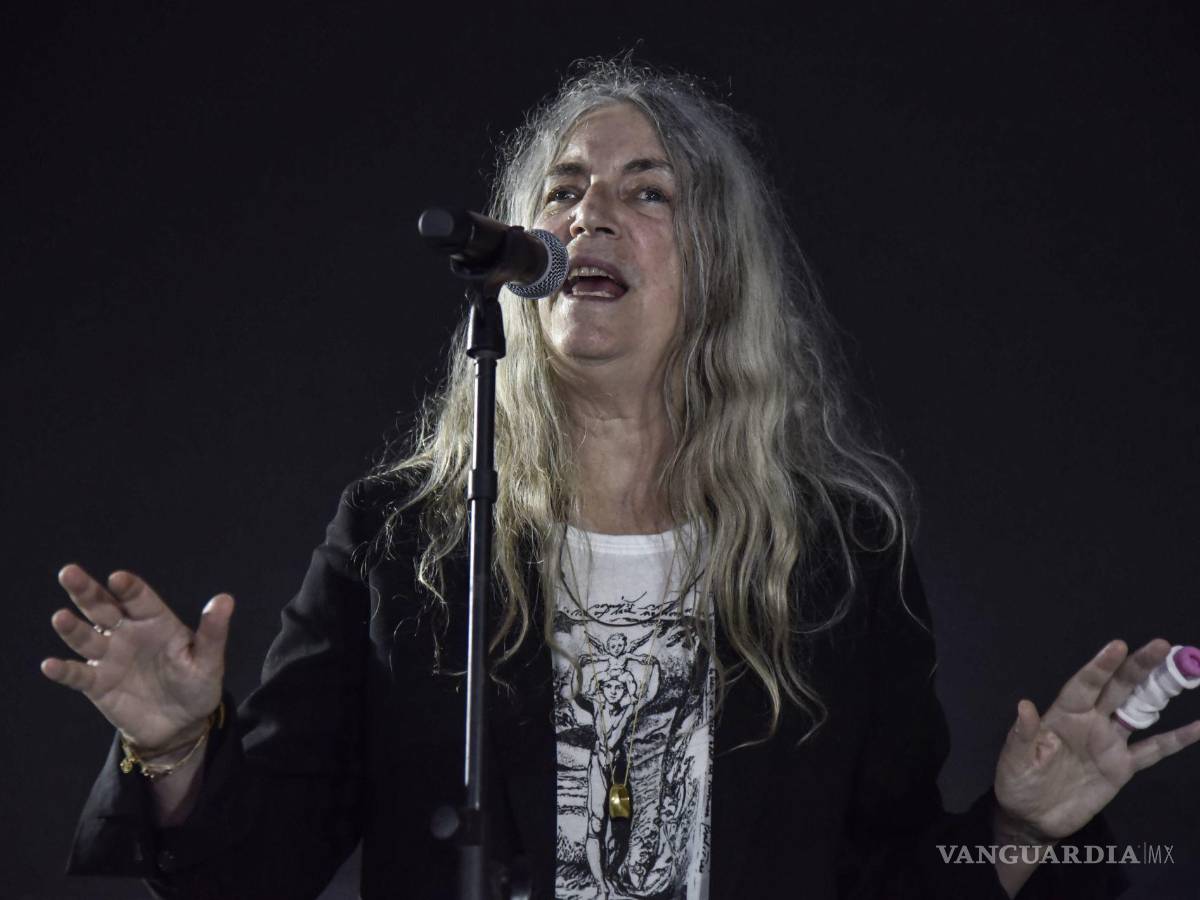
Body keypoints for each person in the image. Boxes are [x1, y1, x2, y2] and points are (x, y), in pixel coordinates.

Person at [42, 59, 1198, 900]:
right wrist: (183, 749)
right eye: (564, 188)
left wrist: (1021, 829)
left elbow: (884, 880)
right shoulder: (403, 541)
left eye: (647, 191)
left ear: (718, 270)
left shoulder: (836, 554)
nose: (591, 210)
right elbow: (257, 870)